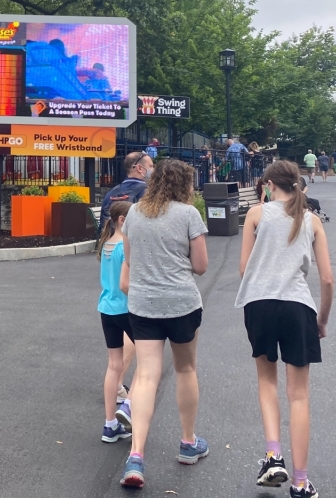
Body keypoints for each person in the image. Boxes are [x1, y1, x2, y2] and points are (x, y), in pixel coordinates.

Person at [236, 160, 334, 497]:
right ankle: (302, 482)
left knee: (266, 381)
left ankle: (273, 455)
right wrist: (321, 320)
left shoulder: (256, 215)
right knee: (299, 395)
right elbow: (327, 279)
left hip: (259, 303)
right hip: (298, 306)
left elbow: (243, 269)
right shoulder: (311, 220)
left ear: (267, 185)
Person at [118, 160, 210, 489]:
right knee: (185, 370)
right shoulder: (188, 215)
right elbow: (200, 266)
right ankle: (188, 443)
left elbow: (129, 260)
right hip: (182, 305)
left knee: (145, 376)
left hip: (143, 306)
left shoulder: (134, 215)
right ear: (185, 184)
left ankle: (136, 456)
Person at [98, 200, 136, 444]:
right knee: (148, 360)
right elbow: (127, 282)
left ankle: (110, 424)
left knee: (114, 366)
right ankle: (130, 406)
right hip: (127, 308)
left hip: (106, 309)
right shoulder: (126, 245)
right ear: (123, 220)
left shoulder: (105, 244)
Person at [99, 152, 153, 232]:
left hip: (110, 239)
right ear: (140, 168)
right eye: (151, 166)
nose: (153, 170)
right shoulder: (148, 192)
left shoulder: (111, 193)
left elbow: (102, 224)